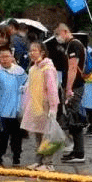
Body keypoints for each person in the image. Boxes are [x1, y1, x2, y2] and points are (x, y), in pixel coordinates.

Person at [0, 45, 28, 167]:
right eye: (2, 57)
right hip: (2, 109)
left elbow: (27, 85)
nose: (5, 59)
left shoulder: (20, 72)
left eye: (7, 56)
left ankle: (16, 157)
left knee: (17, 135)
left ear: (11, 57)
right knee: (3, 134)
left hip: (17, 109)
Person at [21, 40, 60, 170]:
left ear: (42, 52)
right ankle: (39, 161)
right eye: (30, 50)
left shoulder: (48, 68)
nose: (31, 53)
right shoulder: (33, 68)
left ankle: (48, 163)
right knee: (37, 133)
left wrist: (54, 107)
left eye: (34, 50)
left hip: (45, 105)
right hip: (35, 105)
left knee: (46, 135)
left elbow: (52, 89)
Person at [54, 24, 88, 164]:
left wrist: (68, 89)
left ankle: (79, 153)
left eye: (57, 34)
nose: (57, 38)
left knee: (74, 119)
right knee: (71, 117)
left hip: (75, 86)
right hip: (75, 85)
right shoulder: (72, 45)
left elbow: (73, 68)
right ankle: (76, 150)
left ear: (64, 31)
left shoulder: (74, 45)